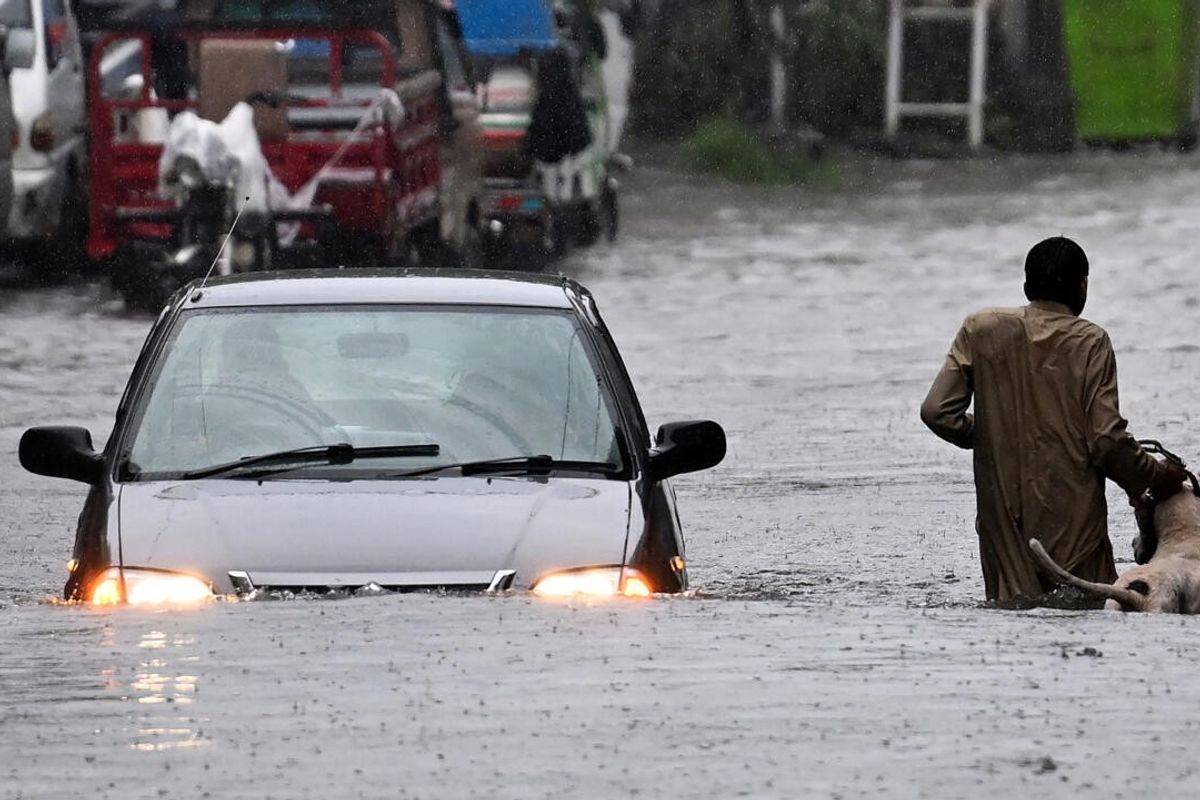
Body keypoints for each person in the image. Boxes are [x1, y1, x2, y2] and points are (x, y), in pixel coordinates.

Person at [920, 236, 1187, 603]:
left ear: (1027, 285)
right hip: (1075, 530)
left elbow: (937, 411)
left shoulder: (980, 329)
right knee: (1088, 608)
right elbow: (1107, 442)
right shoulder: (1090, 341)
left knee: (1013, 614)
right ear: (1083, 286)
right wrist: (1158, 476)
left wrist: (996, 433)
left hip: (1004, 530)